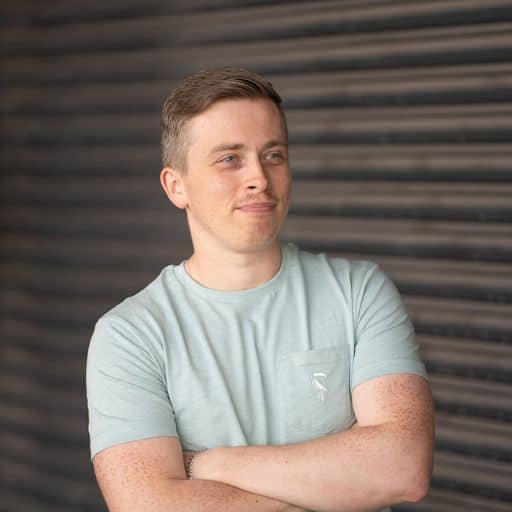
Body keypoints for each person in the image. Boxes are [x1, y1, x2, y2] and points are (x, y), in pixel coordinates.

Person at [86, 67, 434, 512]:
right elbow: (146, 503)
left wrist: (207, 466)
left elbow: (401, 468)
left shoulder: (357, 292)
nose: (259, 178)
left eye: (273, 155)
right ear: (177, 186)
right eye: (229, 158)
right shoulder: (130, 335)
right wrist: (337, 482)